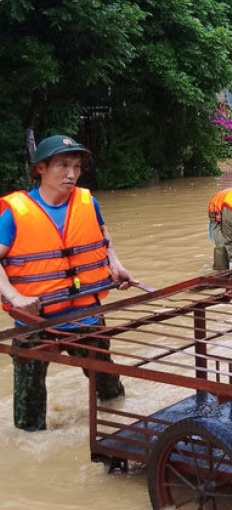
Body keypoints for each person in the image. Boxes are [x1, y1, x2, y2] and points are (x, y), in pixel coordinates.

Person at [0, 135, 138, 431]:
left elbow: (103, 235)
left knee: (111, 392)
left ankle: (117, 430)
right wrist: (13, 296)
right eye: (63, 166)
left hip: (85, 315)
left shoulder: (88, 201)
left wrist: (115, 265)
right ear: (40, 169)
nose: (72, 174)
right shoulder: (14, 212)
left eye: (76, 166)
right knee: (28, 418)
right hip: (35, 322)